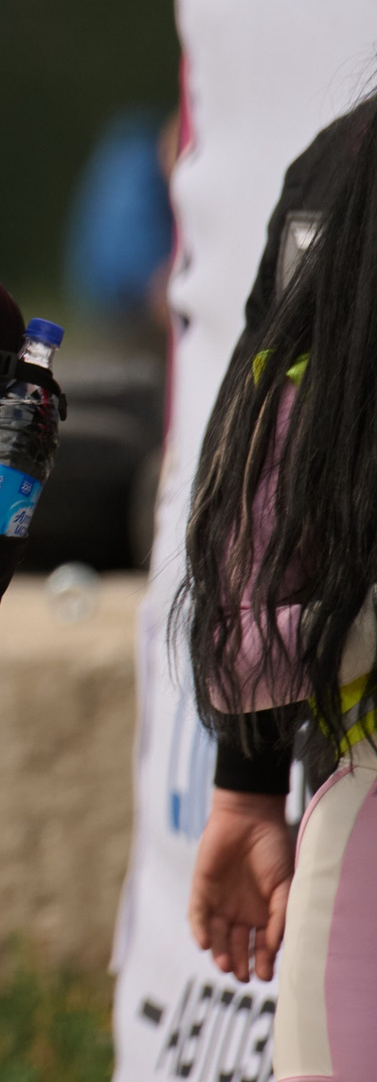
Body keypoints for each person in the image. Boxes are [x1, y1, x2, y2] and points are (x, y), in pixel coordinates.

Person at [184, 91, 377, 1079]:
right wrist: (247, 781)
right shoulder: (344, 169)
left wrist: (248, 785)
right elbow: (274, 504)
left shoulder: (344, 161)